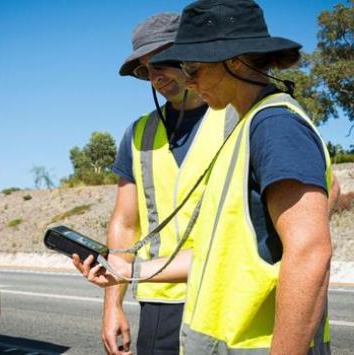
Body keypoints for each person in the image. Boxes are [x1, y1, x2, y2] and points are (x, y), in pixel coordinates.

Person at [75, 1, 336, 354]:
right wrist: (125, 274)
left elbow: (309, 252)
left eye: (193, 66)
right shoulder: (244, 129)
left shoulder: (274, 125)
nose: (190, 78)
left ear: (235, 61)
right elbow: (215, 252)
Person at [102, 13, 238, 355]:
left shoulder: (239, 116)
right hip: (160, 300)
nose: (156, 76)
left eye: (163, 61)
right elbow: (124, 223)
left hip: (226, 295)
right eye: (146, 70)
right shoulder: (139, 134)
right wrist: (112, 306)